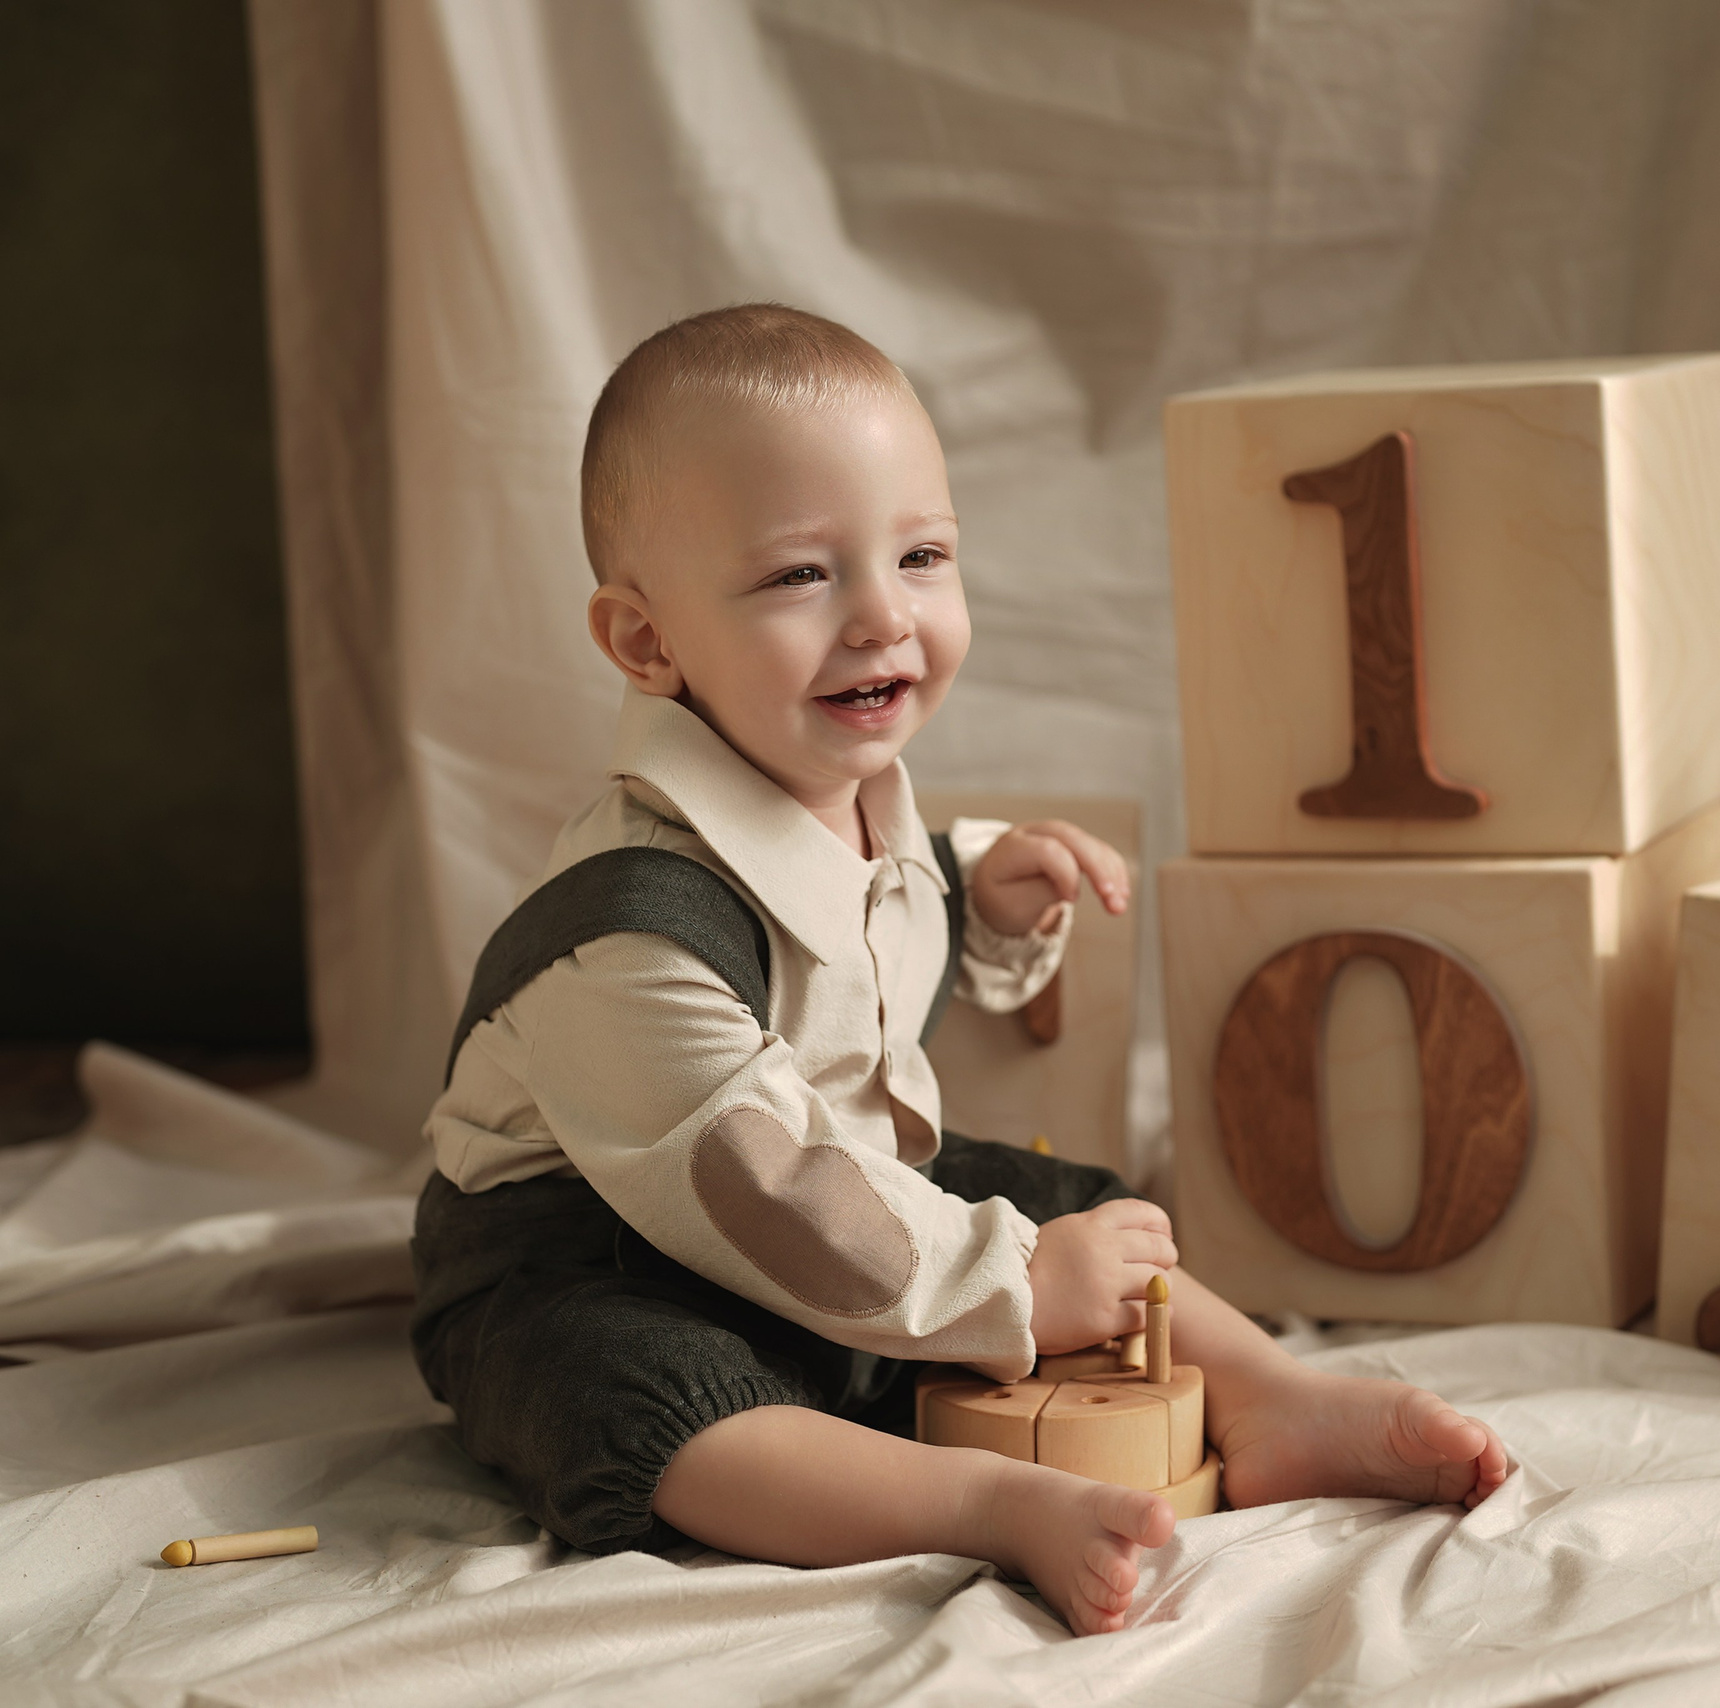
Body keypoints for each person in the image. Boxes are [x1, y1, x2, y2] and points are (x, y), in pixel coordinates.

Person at [410, 303, 1509, 1637]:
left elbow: (853, 986)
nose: (884, 615)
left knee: (1064, 1203)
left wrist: (979, 905)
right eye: (799, 577)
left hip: (825, 1189)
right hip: (600, 1251)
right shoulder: (628, 939)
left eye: (921, 555)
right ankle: (979, 1504)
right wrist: (1020, 1284)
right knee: (641, 1402)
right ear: (647, 644)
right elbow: (763, 1190)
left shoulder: (844, 792)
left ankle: (1273, 1397)